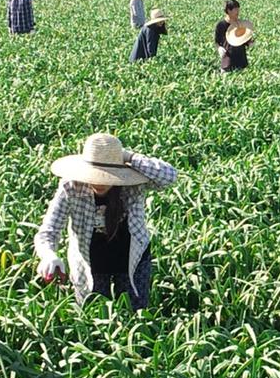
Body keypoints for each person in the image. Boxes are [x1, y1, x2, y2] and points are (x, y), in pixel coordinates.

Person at [34, 132, 177, 310]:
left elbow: (169, 176)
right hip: (90, 262)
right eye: (95, 175)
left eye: (107, 175)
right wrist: (49, 255)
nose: (99, 182)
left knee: (135, 313)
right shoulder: (71, 186)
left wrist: (128, 157)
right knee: (92, 314)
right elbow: (49, 230)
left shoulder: (132, 184)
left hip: (133, 258)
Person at [214, 0, 253, 72]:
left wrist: (249, 43)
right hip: (227, 62)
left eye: (238, 9)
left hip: (241, 62)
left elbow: (244, 39)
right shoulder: (221, 25)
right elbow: (217, 42)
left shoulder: (241, 24)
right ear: (229, 10)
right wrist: (219, 48)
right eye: (235, 10)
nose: (238, 12)